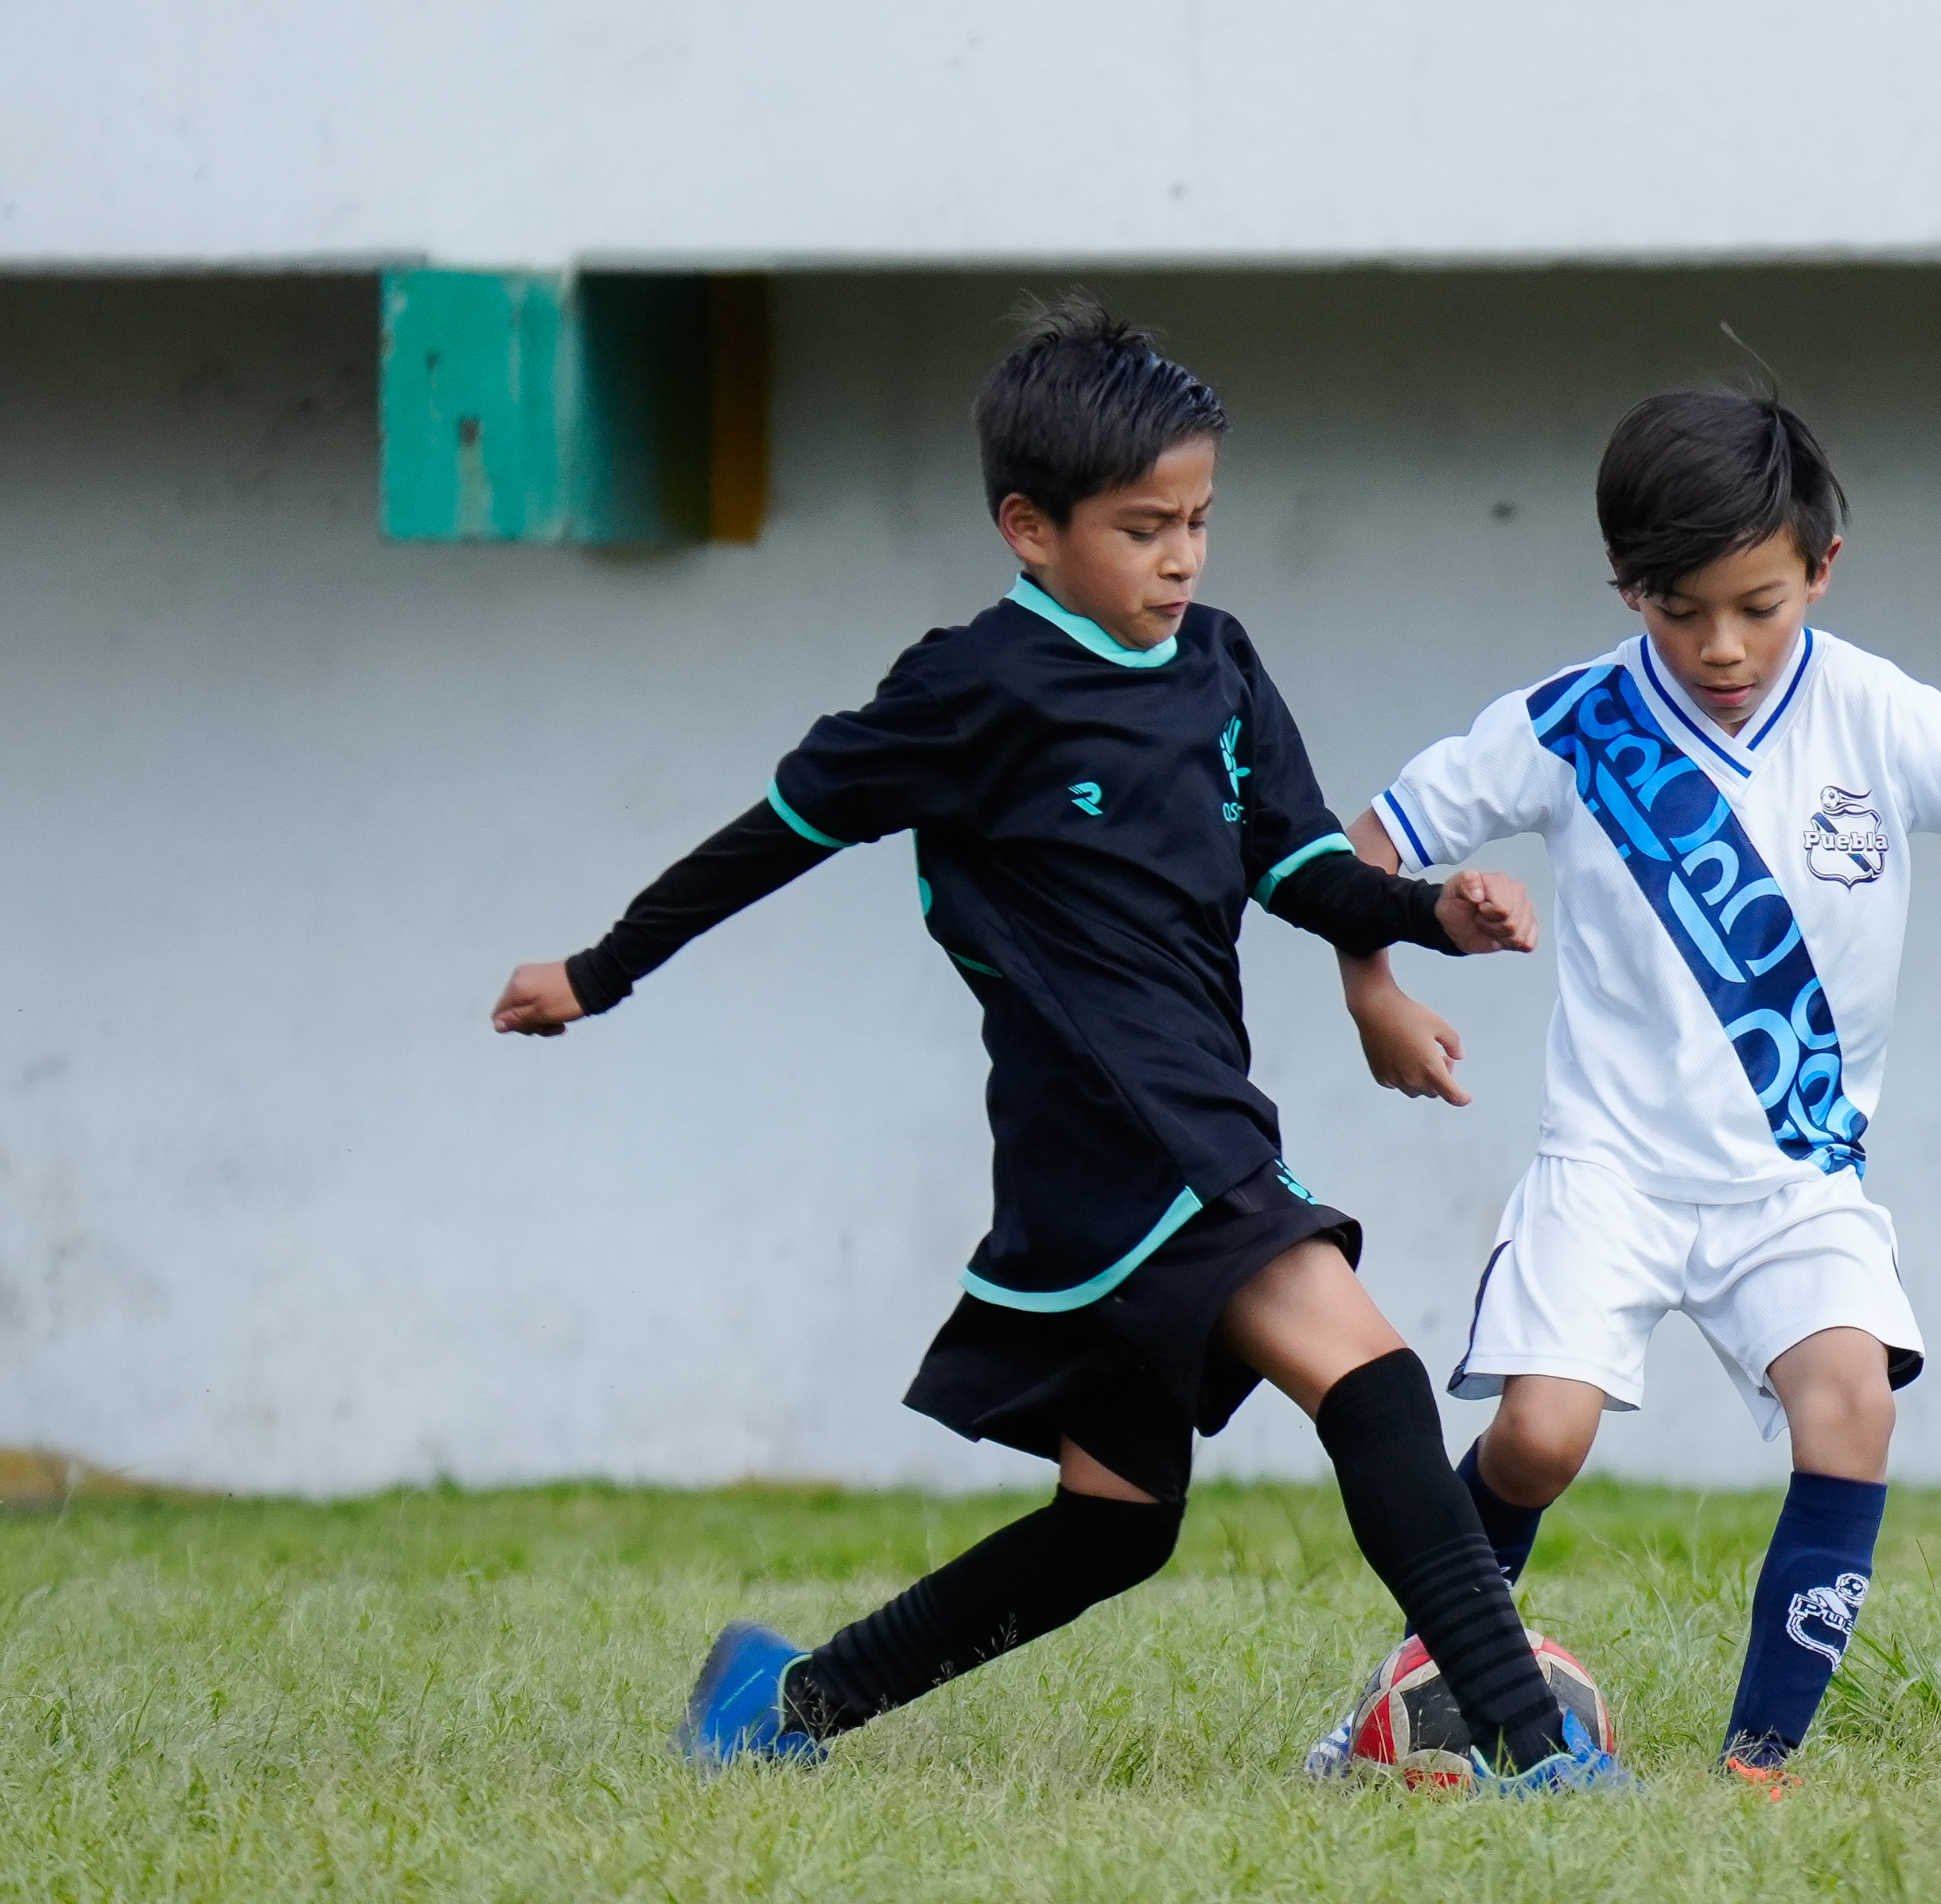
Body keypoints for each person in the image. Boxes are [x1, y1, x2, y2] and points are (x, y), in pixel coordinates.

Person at [491, 296, 1624, 1792]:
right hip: (1122, 1132)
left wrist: (1426, 917)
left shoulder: (1220, 668)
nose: (1181, 557)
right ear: (1030, 528)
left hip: (1184, 1121)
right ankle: (1535, 1753)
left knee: (1115, 1526)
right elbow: (773, 836)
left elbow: (1293, 868)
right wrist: (599, 969)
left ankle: (782, 1713)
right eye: (1145, 526)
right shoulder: (970, 689)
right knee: (1375, 1377)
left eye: (1201, 520)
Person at [1308, 387, 1941, 1788]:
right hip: (1607, 1174)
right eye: (1681, 611)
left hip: (1799, 1181)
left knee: (1853, 1405)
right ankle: (1416, 1693)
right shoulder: (1572, 722)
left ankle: (1757, 1769)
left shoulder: (1873, 710)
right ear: (1627, 588)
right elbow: (1366, 840)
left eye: (1758, 604)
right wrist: (1377, 984)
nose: (1723, 647)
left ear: (1821, 565)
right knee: (1539, 1438)